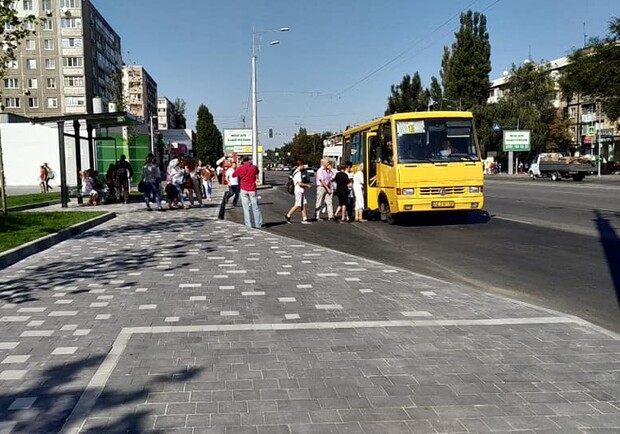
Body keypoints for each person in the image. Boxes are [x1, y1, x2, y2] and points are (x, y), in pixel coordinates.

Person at [232, 157, 263, 229]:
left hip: (243, 189)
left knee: (246, 208)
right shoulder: (254, 167)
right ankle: (258, 224)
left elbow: (234, 175)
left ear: (242, 161)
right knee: (255, 207)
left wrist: (239, 167)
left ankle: (248, 224)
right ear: (249, 161)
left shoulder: (241, 168)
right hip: (252, 189)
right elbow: (257, 172)